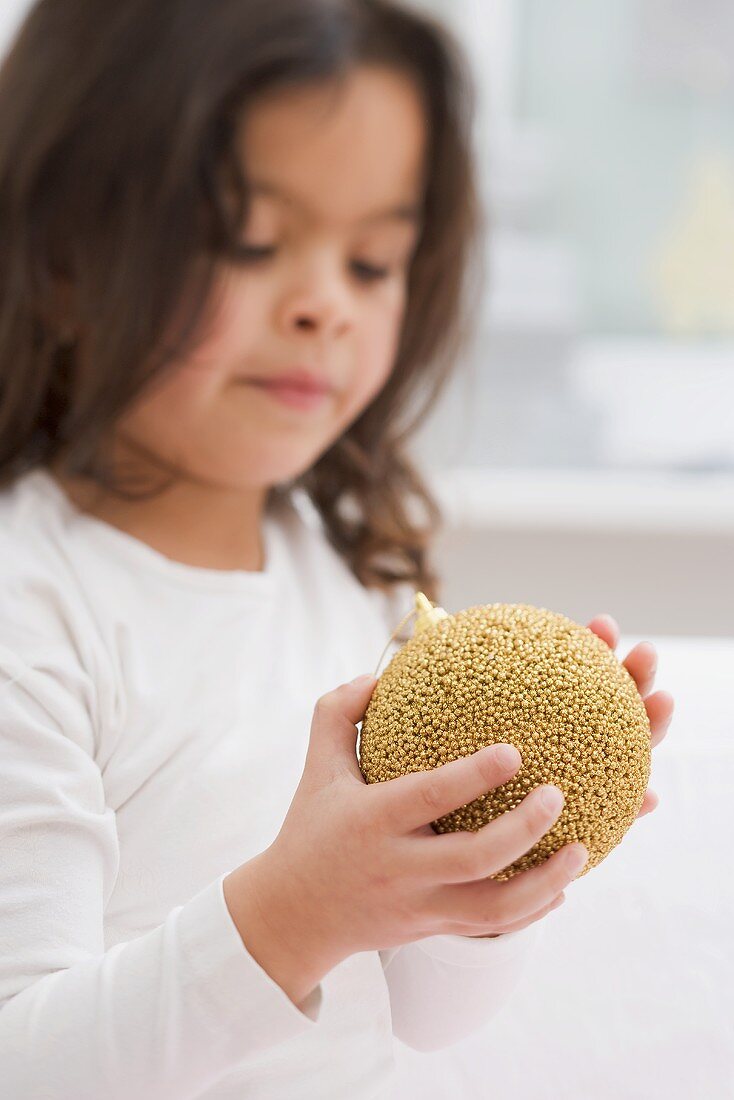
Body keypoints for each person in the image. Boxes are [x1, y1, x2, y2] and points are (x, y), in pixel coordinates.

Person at [0, 1, 669, 1096]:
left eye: (371, 262)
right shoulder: (34, 604)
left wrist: (503, 865)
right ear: (64, 255)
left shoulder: (354, 580)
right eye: (249, 242)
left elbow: (427, 1015)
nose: (323, 304)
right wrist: (293, 912)